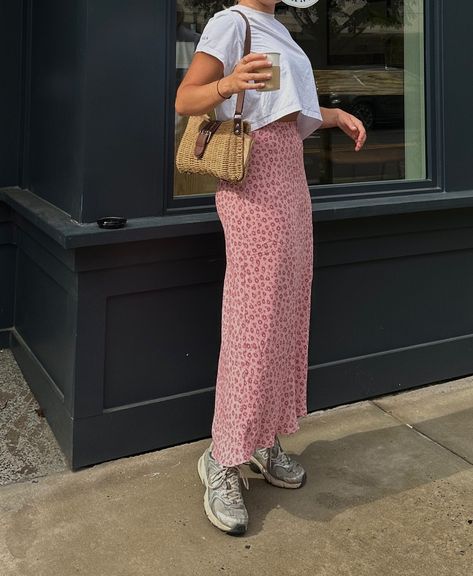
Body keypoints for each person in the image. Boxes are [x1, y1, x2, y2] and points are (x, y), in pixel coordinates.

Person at [175, 0, 366, 536]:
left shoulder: (279, 26)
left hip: (290, 177)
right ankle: (222, 457)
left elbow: (284, 109)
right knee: (253, 321)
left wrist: (330, 115)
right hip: (252, 178)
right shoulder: (229, 22)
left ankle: (262, 438)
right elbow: (186, 98)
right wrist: (227, 84)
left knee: (285, 313)